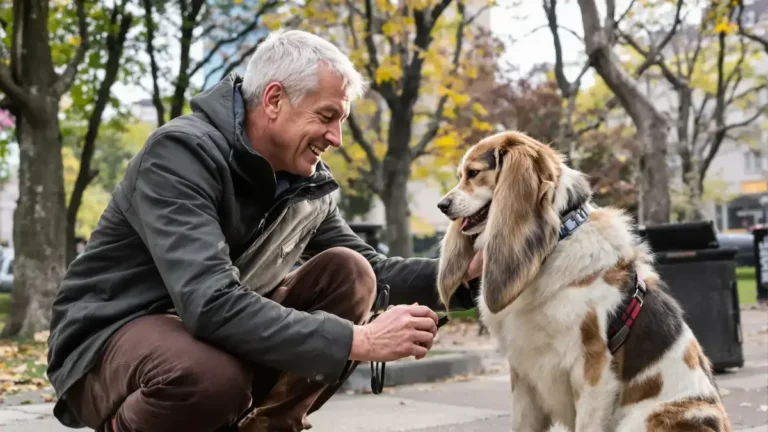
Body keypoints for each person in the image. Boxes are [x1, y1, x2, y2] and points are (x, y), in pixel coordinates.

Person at [46, 29, 482, 432]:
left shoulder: (307, 185)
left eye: (342, 120)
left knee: (350, 273)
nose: (337, 137)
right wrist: (360, 339)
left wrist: (463, 270)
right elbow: (210, 302)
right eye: (328, 116)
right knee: (211, 378)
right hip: (108, 339)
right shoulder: (180, 154)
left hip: (201, 335)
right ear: (274, 99)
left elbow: (377, 270)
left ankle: (269, 426)